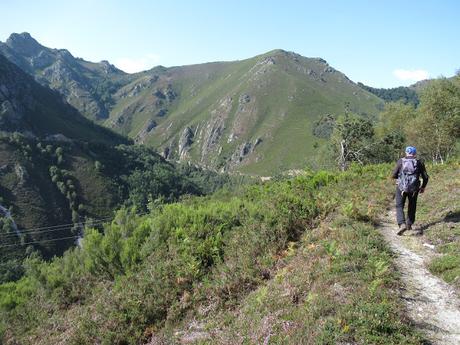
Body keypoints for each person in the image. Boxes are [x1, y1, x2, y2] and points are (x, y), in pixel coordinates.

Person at [391, 146, 429, 235]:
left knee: (399, 206)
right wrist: (423, 187)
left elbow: (393, 175)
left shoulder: (401, 161)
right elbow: (426, 177)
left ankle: (402, 224)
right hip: (414, 188)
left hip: (401, 188)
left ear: (406, 153)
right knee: (412, 205)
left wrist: (400, 178)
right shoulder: (419, 162)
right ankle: (409, 224)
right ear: (415, 153)